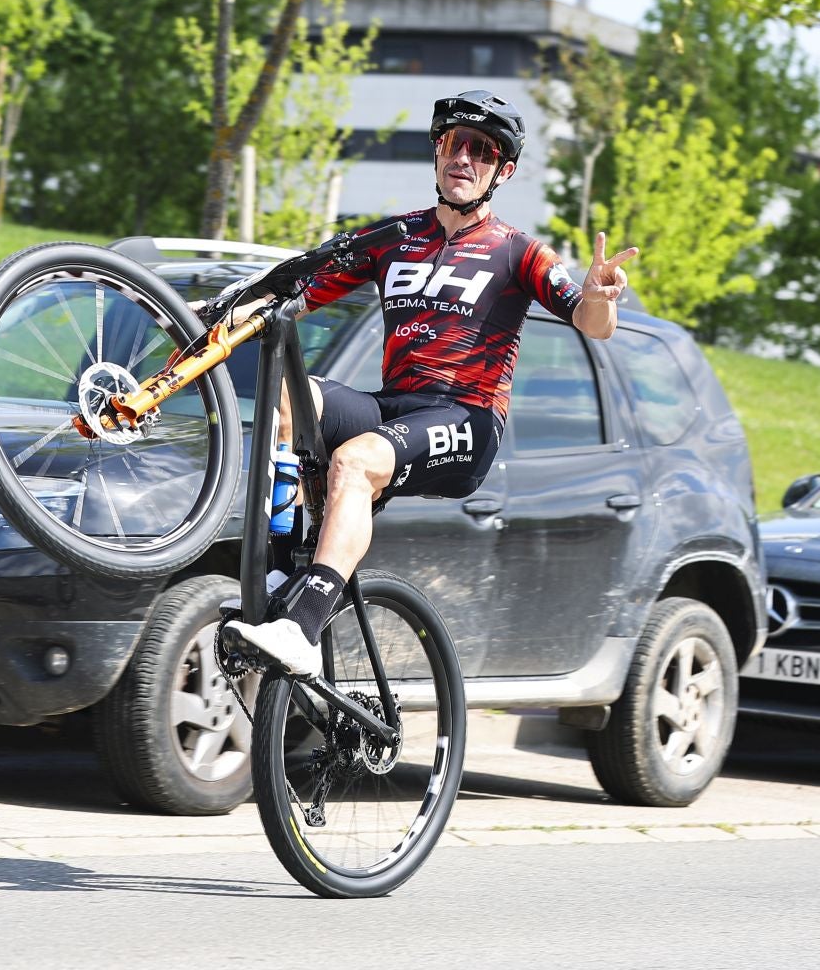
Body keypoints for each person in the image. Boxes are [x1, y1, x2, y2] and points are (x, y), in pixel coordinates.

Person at [226, 89, 638, 674]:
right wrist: (214, 320)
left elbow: (591, 324)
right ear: (438, 152)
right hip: (398, 407)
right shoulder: (395, 238)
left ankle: (304, 627)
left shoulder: (519, 251)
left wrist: (599, 296)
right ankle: (281, 566)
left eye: (483, 151)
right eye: (453, 143)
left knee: (356, 461)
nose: (464, 158)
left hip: (467, 418)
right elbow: (293, 300)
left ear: (503, 171)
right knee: (292, 394)